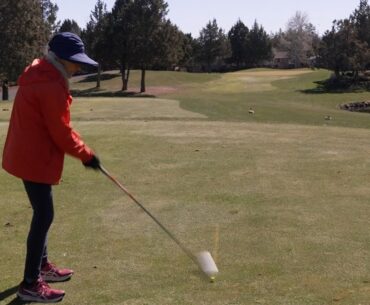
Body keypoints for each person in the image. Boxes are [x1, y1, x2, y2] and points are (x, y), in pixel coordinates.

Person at [2, 32, 101, 303]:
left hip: (26, 154)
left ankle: (42, 267)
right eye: (74, 61)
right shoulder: (49, 83)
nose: (78, 66)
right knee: (44, 215)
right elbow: (60, 131)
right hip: (32, 157)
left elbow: (57, 126)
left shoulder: (43, 72)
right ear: (60, 59)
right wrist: (86, 155)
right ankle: (31, 283)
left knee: (43, 212)